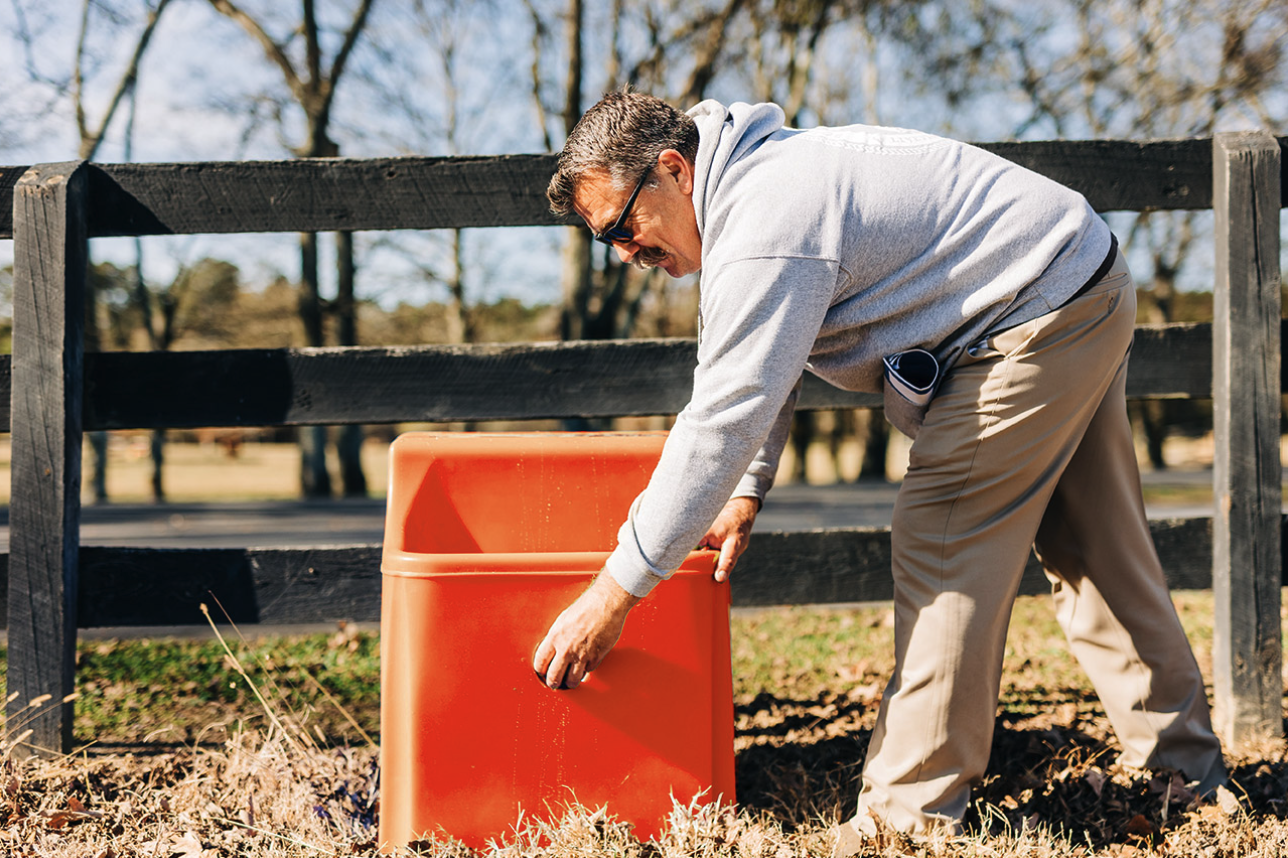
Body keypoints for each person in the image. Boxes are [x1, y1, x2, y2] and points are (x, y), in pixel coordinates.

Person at [531, 89, 1226, 852]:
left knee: (943, 540)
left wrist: (615, 591)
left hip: (1030, 313)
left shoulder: (767, 220)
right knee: (1095, 542)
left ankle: (906, 820)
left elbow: (722, 417)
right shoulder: (752, 195)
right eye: (608, 243)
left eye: (625, 227)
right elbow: (766, 364)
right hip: (1079, 278)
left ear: (673, 169)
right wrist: (745, 488)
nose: (628, 255)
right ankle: (1185, 776)